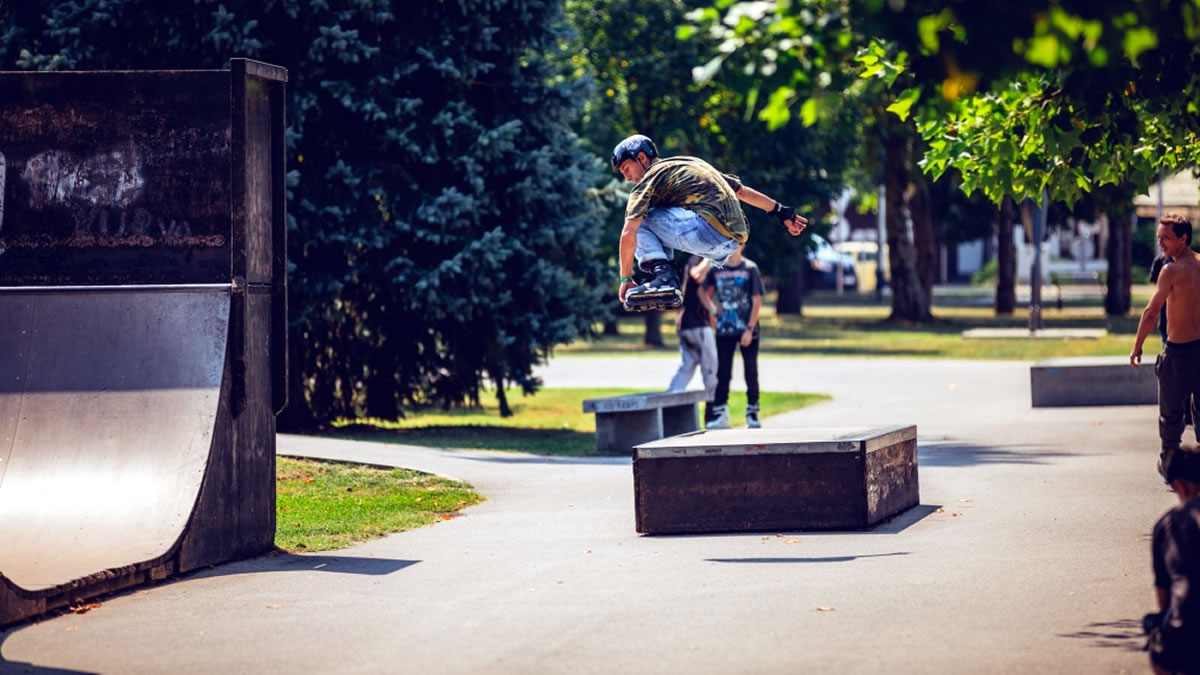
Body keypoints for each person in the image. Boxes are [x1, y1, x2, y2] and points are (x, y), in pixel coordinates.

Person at [610, 134, 806, 310]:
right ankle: (666, 279)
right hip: (731, 242)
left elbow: (628, 234)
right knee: (655, 212)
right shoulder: (690, 164)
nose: (627, 178)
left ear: (642, 158)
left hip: (705, 231)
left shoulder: (651, 177)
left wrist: (626, 278)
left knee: (638, 221)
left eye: (626, 169)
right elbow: (742, 192)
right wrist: (782, 213)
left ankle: (665, 278)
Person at [1131, 214, 1200, 480]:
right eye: (1159, 237)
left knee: (1170, 415)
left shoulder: (1170, 271)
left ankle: (1170, 467)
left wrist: (1137, 346)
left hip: (1179, 352)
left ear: (1183, 238)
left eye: (1166, 238)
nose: (1161, 243)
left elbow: (1151, 312)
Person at [1145, 447, 1200, 674]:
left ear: (1178, 485)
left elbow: (1164, 596)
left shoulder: (1165, 525)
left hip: (1186, 632)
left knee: (1157, 635)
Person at [702, 243, 763, 429]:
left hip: (746, 328)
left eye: (736, 243)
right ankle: (721, 412)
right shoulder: (716, 268)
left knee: (750, 372)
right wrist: (713, 309)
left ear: (743, 245)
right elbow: (703, 292)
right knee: (723, 372)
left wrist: (749, 329)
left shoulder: (750, 269)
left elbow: (757, 300)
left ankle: (752, 412)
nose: (732, 247)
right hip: (724, 329)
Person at [668, 256, 720, 424]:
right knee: (710, 365)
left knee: (689, 362)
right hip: (697, 324)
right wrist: (712, 310)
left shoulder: (694, 260)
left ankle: (672, 397)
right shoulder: (698, 260)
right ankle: (712, 410)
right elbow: (697, 277)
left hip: (687, 324)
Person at [1151, 253, 1192, 428]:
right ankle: (1182, 412)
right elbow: (1157, 291)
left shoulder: (1192, 263)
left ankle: (1187, 414)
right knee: (1174, 372)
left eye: (1165, 238)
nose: (1161, 242)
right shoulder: (1161, 262)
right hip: (1167, 326)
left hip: (1188, 326)